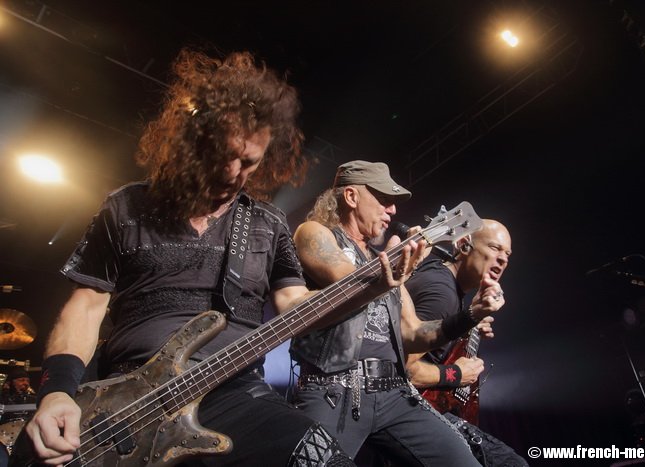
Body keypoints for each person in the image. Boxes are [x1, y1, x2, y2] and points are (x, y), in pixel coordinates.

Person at [21, 49, 422, 467]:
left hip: (237, 393)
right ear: (194, 140)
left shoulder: (268, 223)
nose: (232, 173)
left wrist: (371, 286)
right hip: (127, 404)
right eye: (222, 154)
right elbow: (85, 307)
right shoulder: (126, 207)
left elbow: (295, 305)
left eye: (248, 162)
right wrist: (56, 393)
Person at [289, 161, 504, 466]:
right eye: (384, 200)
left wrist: (469, 315)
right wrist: (395, 263)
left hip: (393, 391)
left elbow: (413, 333)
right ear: (351, 196)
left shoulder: (386, 262)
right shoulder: (315, 233)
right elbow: (344, 281)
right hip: (333, 389)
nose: (392, 210)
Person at [403, 219, 529, 467]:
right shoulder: (443, 295)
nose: (502, 260)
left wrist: (466, 325)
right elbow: (402, 371)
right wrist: (456, 374)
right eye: (494, 248)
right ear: (463, 244)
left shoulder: (445, 282)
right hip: (410, 411)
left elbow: (431, 342)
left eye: (507, 254)